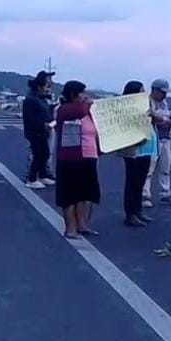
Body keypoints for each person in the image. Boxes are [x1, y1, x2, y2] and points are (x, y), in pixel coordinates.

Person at [55, 80, 101, 238]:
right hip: (70, 157)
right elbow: (80, 111)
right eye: (81, 93)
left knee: (84, 193)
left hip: (88, 156)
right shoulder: (65, 109)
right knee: (69, 195)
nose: (84, 96)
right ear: (73, 94)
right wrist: (88, 104)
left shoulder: (86, 111)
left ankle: (82, 224)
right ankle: (70, 227)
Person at [119, 81, 155, 227]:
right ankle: (130, 214)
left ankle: (138, 211)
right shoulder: (125, 108)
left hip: (146, 148)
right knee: (132, 182)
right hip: (132, 150)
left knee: (140, 182)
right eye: (141, 90)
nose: (143, 93)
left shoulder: (145, 106)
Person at [145, 79, 171, 206]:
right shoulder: (148, 103)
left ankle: (165, 193)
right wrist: (165, 121)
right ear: (154, 90)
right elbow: (155, 119)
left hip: (165, 139)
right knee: (149, 169)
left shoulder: (164, 104)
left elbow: (167, 120)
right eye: (162, 92)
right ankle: (145, 196)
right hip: (152, 139)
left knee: (165, 168)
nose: (164, 95)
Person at [22, 74, 56, 189]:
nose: (47, 89)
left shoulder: (41, 99)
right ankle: (32, 179)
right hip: (35, 132)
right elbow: (30, 118)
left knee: (44, 154)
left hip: (43, 131)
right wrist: (42, 125)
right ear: (39, 87)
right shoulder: (31, 100)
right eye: (46, 86)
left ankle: (42, 175)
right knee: (39, 155)